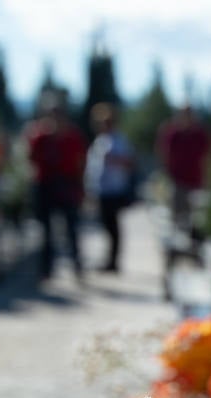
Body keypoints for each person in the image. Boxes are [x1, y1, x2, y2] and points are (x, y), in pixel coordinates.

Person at [26, 99, 87, 280]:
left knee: (71, 228)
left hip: (67, 184)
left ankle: (76, 265)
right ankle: (46, 268)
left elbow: (80, 162)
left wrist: (80, 186)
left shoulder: (73, 136)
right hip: (46, 185)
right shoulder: (39, 136)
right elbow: (31, 159)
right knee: (46, 231)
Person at [86, 103, 135, 273]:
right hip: (101, 190)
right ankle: (109, 259)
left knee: (113, 227)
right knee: (105, 226)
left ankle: (114, 261)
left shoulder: (119, 140)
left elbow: (129, 163)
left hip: (114, 190)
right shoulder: (100, 141)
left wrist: (113, 159)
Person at [155, 104, 211, 233]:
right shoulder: (173, 134)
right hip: (178, 180)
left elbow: (207, 157)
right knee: (177, 216)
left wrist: (207, 177)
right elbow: (164, 154)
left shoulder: (200, 134)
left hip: (196, 181)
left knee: (195, 217)